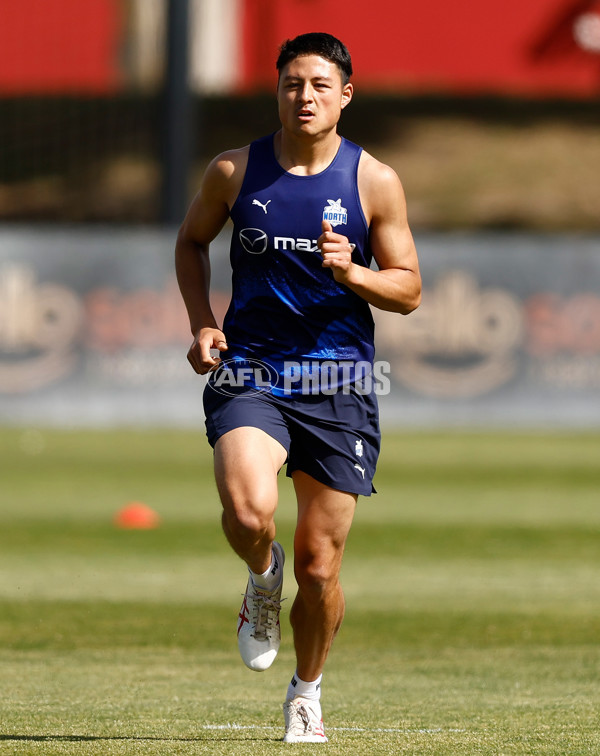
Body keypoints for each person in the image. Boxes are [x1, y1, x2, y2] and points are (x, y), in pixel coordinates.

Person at [175, 31, 421, 743]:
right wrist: (201, 321)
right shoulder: (233, 171)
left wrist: (355, 275)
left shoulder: (373, 180)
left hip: (339, 380)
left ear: (345, 94)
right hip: (251, 370)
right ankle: (260, 576)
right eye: (291, 83)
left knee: (319, 569)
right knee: (250, 514)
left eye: (319, 84)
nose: (304, 96)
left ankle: (307, 692)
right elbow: (191, 241)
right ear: (276, 91)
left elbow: (407, 291)